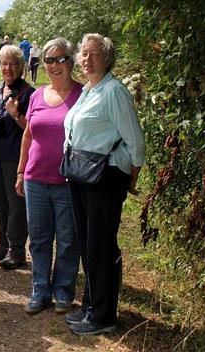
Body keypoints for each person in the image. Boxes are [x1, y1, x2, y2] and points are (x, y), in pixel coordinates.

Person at [63, 33, 145, 335]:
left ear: (106, 58)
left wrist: (131, 179)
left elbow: (135, 140)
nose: (87, 59)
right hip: (82, 174)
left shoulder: (114, 92)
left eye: (93, 54)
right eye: (84, 53)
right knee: (88, 244)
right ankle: (90, 306)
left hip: (105, 177)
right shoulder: (88, 89)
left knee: (101, 246)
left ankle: (104, 316)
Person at [15, 37, 82, 315]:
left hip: (69, 181)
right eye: (49, 60)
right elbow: (28, 135)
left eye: (61, 59)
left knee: (68, 239)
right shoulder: (37, 95)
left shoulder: (83, 94)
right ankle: (40, 291)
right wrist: (20, 172)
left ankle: (63, 292)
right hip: (35, 179)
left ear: (71, 61)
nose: (55, 65)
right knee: (40, 239)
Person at [0, 45, 34, 269]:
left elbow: (32, 129)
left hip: (14, 155)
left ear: (21, 67)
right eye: (4, 63)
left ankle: (17, 250)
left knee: (16, 204)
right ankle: (2, 243)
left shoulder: (29, 93)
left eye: (13, 63)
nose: (8, 68)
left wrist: (16, 114)